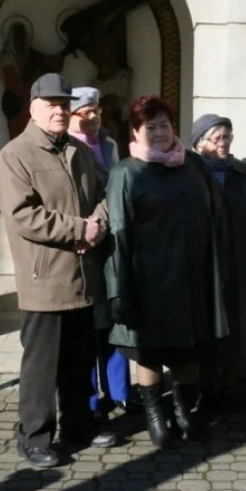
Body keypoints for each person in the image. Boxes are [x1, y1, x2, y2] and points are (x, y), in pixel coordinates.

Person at [0, 73, 121, 469]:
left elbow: (103, 195)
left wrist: (96, 226)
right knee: (41, 365)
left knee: (79, 359)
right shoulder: (15, 156)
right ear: (33, 108)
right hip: (44, 279)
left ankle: (79, 425)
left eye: (64, 104)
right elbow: (23, 216)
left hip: (83, 274)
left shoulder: (79, 152)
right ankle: (33, 437)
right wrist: (79, 229)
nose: (60, 111)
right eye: (51, 104)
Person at [104, 96, 229, 448]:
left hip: (191, 277)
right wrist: (118, 288)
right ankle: (156, 417)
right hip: (147, 281)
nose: (159, 133)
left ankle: (183, 410)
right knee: (150, 351)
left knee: (189, 350)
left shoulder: (193, 166)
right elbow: (117, 232)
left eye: (164, 125)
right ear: (135, 131)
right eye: (150, 127)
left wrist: (218, 269)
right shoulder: (125, 173)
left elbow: (216, 216)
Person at [67, 87, 140, 418]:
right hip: (82, 243)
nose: (92, 117)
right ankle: (92, 397)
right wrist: (88, 228)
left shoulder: (109, 142)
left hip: (111, 242)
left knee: (112, 320)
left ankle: (120, 392)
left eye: (95, 110)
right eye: (84, 113)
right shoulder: (66, 147)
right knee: (88, 328)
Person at [190, 113, 246, 410]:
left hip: (239, 262)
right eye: (216, 138)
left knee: (237, 323)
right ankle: (203, 384)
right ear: (199, 144)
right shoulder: (189, 173)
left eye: (227, 137)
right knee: (206, 325)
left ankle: (230, 381)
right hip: (203, 266)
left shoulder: (245, 175)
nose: (223, 144)